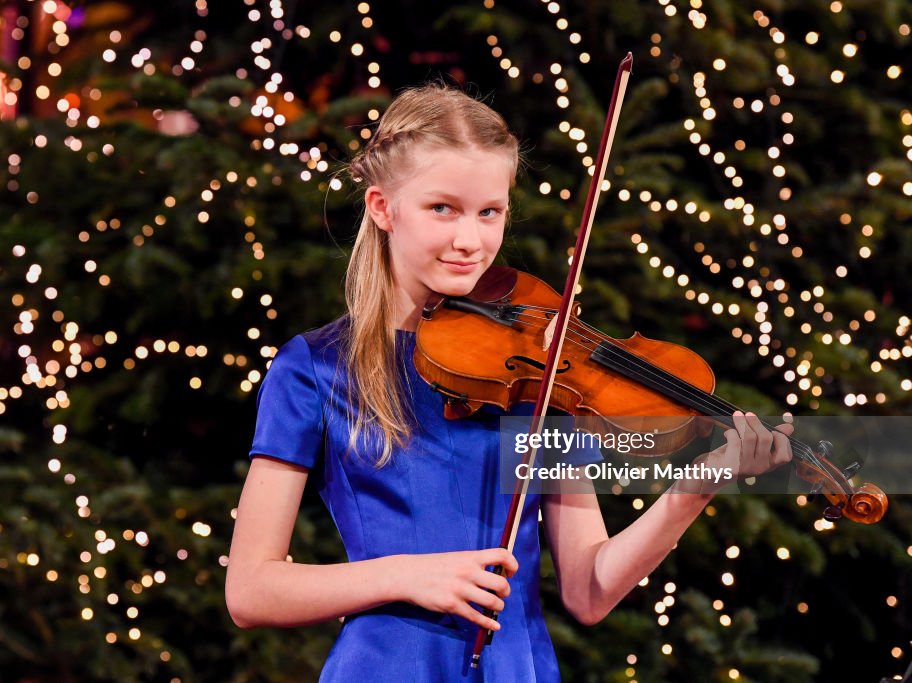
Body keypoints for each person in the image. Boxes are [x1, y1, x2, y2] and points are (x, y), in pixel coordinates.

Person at [225, 84, 794, 682]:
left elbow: (588, 591)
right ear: (382, 208)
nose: (470, 241)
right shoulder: (316, 368)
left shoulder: (537, 373)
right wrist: (407, 574)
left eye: (488, 212)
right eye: (442, 208)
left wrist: (689, 493)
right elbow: (251, 590)